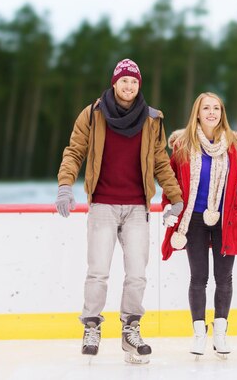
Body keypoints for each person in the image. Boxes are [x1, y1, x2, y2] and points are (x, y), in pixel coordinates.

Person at [55, 58, 184, 364]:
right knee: (98, 271)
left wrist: (175, 196)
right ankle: (91, 326)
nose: (129, 86)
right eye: (124, 80)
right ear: (114, 82)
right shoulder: (93, 114)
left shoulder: (152, 119)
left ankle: (131, 329)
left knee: (137, 274)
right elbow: (74, 151)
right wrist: (64, 184)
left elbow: (160, 161)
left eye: (134, 81)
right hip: (103, 204)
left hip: (138, 207)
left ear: (140, 85)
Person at [160, 92, 237, 358]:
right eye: (206, 108)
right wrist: (168, 207)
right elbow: (171, 182)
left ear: (222, 113)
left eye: (216, 108)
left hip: (225, 220)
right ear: (198, 113)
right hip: (193, 221)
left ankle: (221, 332)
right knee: (198, 278)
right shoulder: (183, 146)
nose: (212, 112)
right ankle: (199, 333)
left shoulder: (233, 146)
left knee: (224, 279)